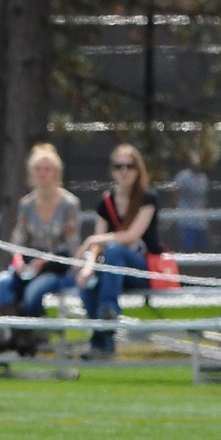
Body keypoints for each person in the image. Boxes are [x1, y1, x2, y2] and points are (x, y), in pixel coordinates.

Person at [74, 143, 163, 359]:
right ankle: (101, 345)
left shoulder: (147, 198)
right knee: (89, 285)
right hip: (114, 272)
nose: (124, 171)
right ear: (113, 170)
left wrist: (93, 239)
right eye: (119, 166)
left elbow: (131, 236)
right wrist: (87, 269)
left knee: (114, 251)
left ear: (138, 169)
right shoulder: (105, 202)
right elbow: (98, 248)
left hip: (142, 270)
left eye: (130, 166)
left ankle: (108, 310)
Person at [0, 143, 81, 318]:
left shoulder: (69, 205)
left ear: (56, 172)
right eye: (38, 169)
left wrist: (45, 261)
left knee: (34, 290)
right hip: (29, 267)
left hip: (58, 270)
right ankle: (18, 332)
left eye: (47, 169)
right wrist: (18, 262)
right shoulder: (26, 205)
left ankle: (34, 329)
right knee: (2, 283)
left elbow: (72, 247)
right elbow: (18, 240)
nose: (42, 173)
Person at [172, 154, 210, 252]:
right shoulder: (183, 176)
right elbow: (175, 196)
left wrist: (209, 222)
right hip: (186, 220)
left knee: (202, 251)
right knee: (189, 250)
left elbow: (204, 202)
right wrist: (170, 215)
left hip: (201, 221)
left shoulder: (204, 178)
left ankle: (199, 268)